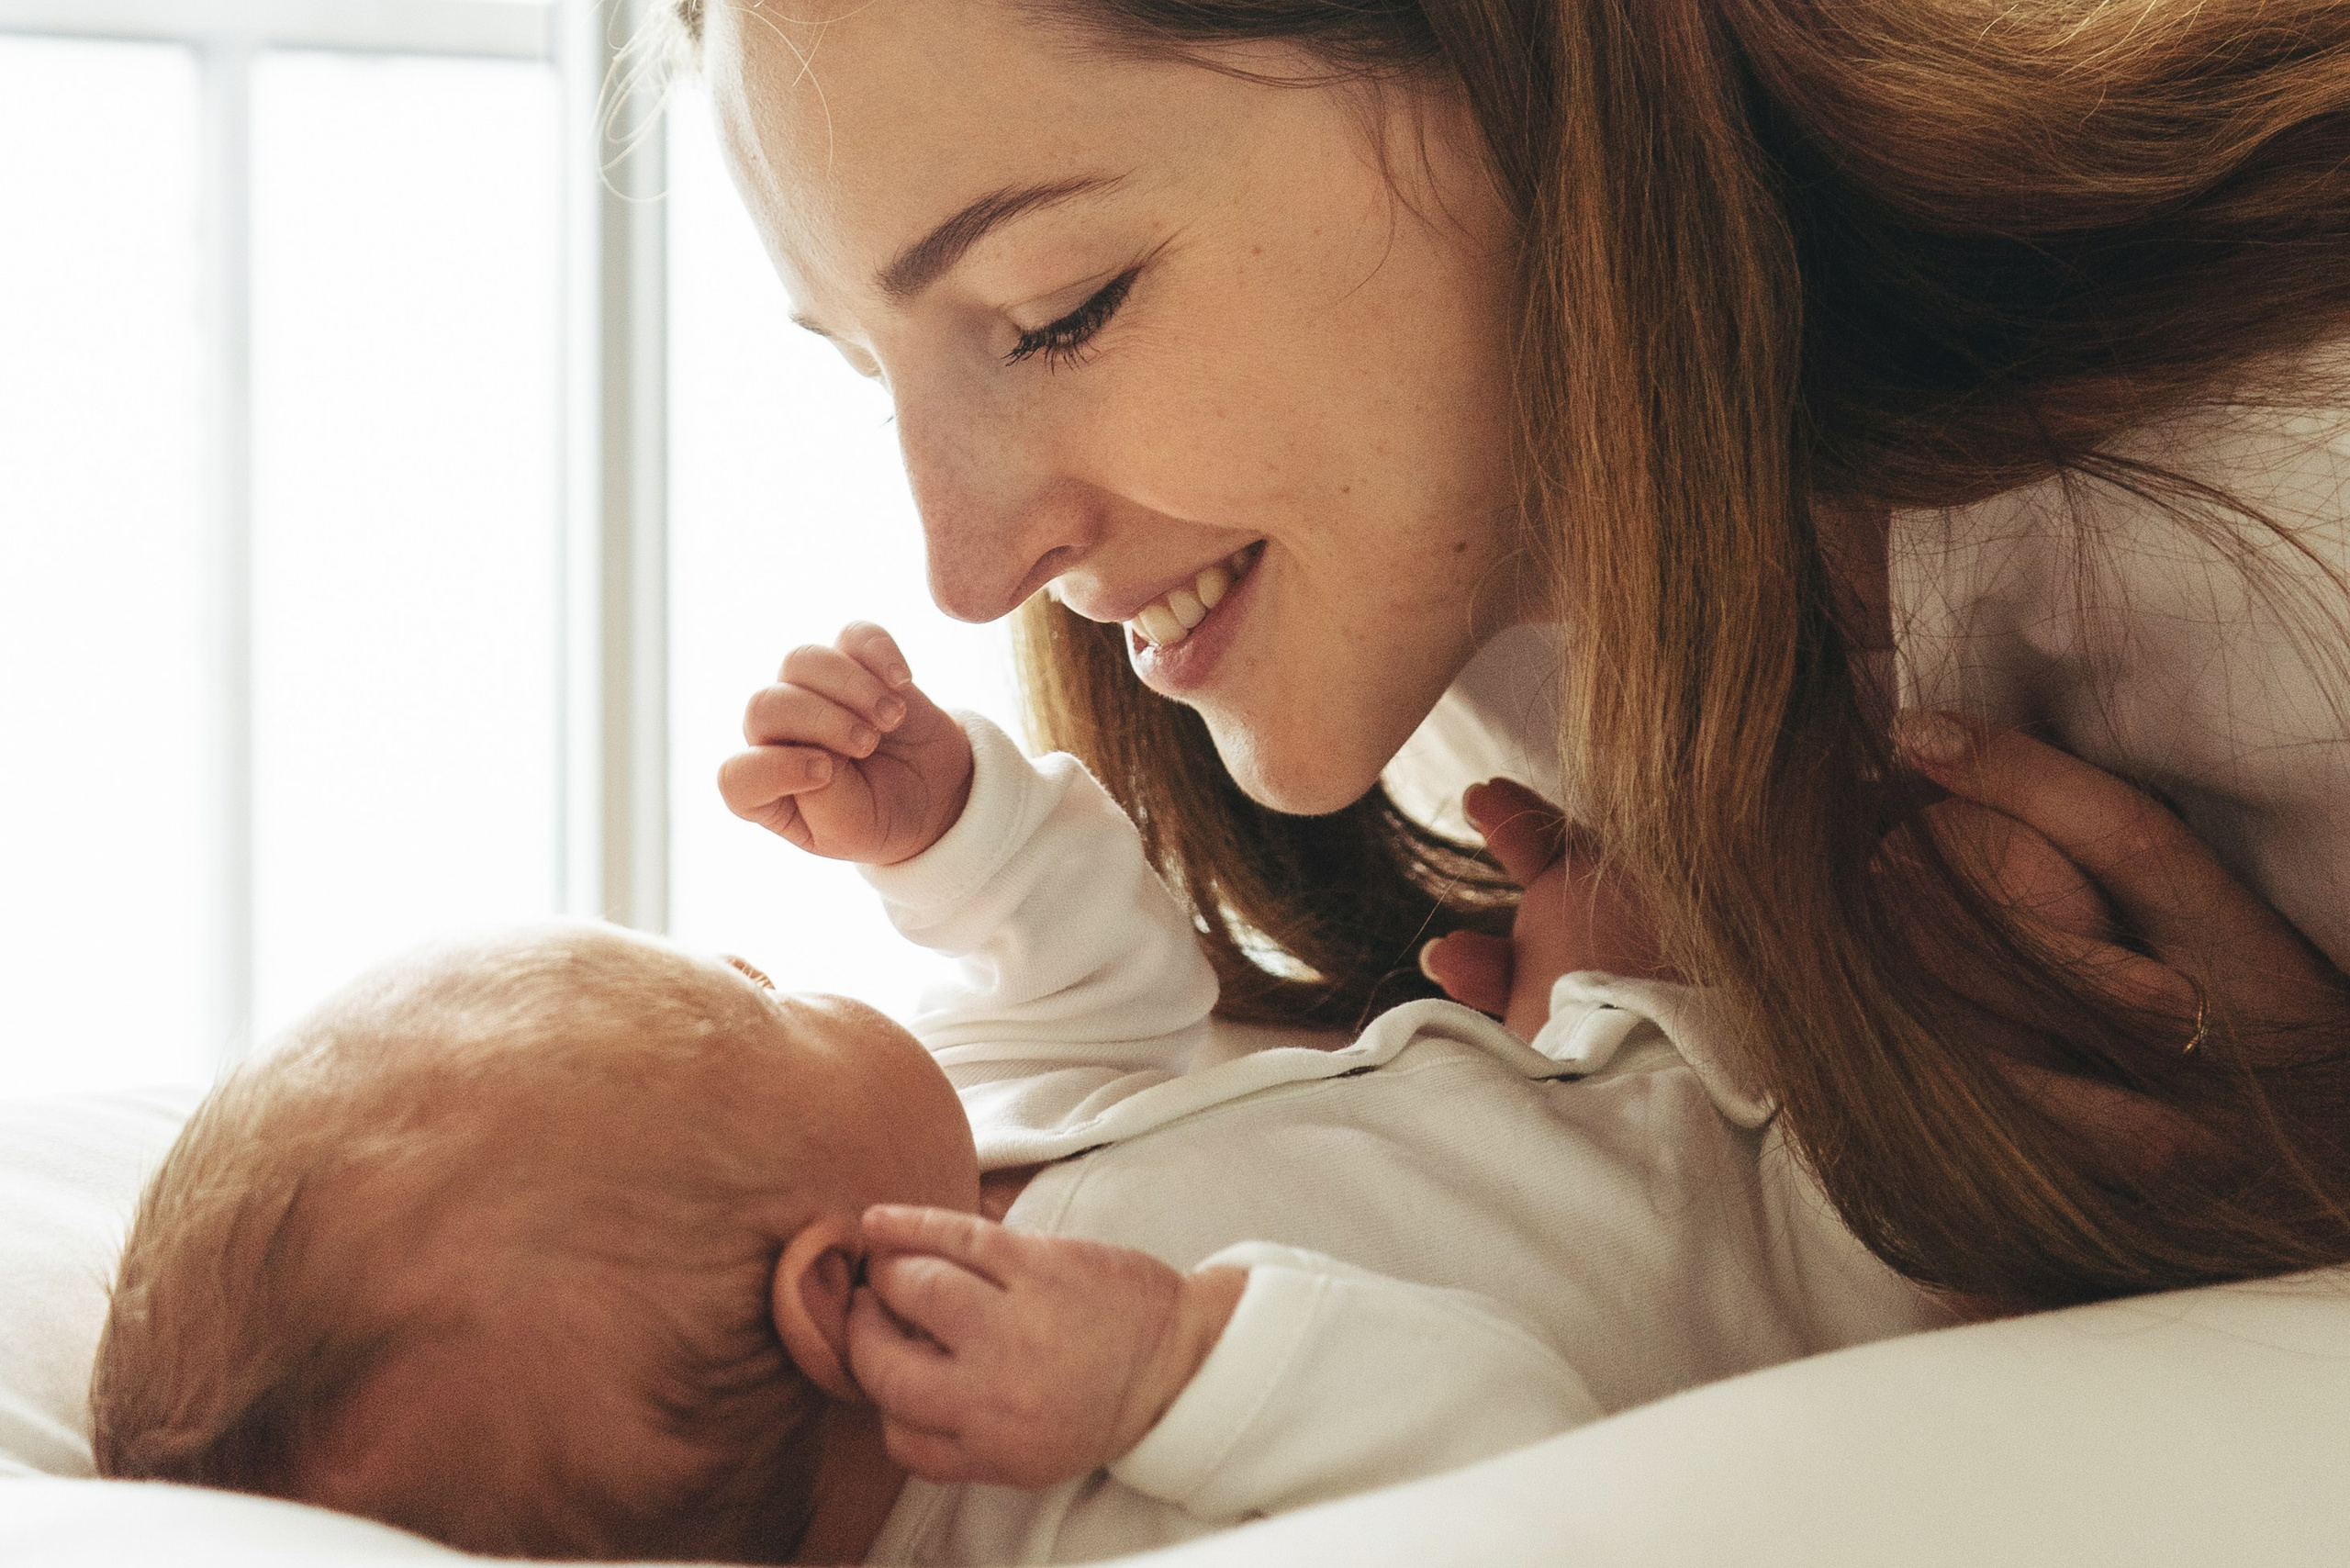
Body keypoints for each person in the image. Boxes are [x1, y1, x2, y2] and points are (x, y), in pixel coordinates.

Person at [660, 0, 2350, 1311]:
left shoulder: (2286, 515)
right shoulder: (1457, 680)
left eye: (1057, 312)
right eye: (875, 381)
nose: (967, 571)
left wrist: (2309, 1173)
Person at [90, 632, 1939, 1564]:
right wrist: (1178, 1370)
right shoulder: (1069, 1492)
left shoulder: (948, 1182)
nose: (775, 965)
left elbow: (1106, 987)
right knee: (1958, 865)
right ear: (835, 1291)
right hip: (1813, 1233)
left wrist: (955, 834)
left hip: (1579, 1074)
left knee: (1700, 767)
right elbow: (1524, 1471)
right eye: (757, 993)